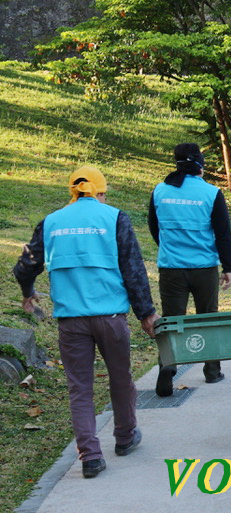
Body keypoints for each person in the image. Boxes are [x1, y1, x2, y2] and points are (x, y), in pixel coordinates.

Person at [12, 166, 157, 479]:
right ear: (100, 192)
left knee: (80, 389)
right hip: (111, 319)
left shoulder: (51, 223)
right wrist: (146, 314)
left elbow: (26, 265)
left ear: (73, 192)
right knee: (121, 379)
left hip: (71, 323)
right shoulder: (114, 218)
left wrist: (28, 292)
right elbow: (132, 270)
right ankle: (125, 436)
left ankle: (90, 457)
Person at [147, 143, 231, 396]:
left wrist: (169, 248)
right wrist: (227, 267)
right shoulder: (211, 193)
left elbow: (154, 227)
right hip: (204, 268)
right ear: (200, 164)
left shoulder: (160, 191)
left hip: (171, 268)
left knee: (172, 321)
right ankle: (212, 370)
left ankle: (167, 369)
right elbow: (223, 233)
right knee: (208, 319)